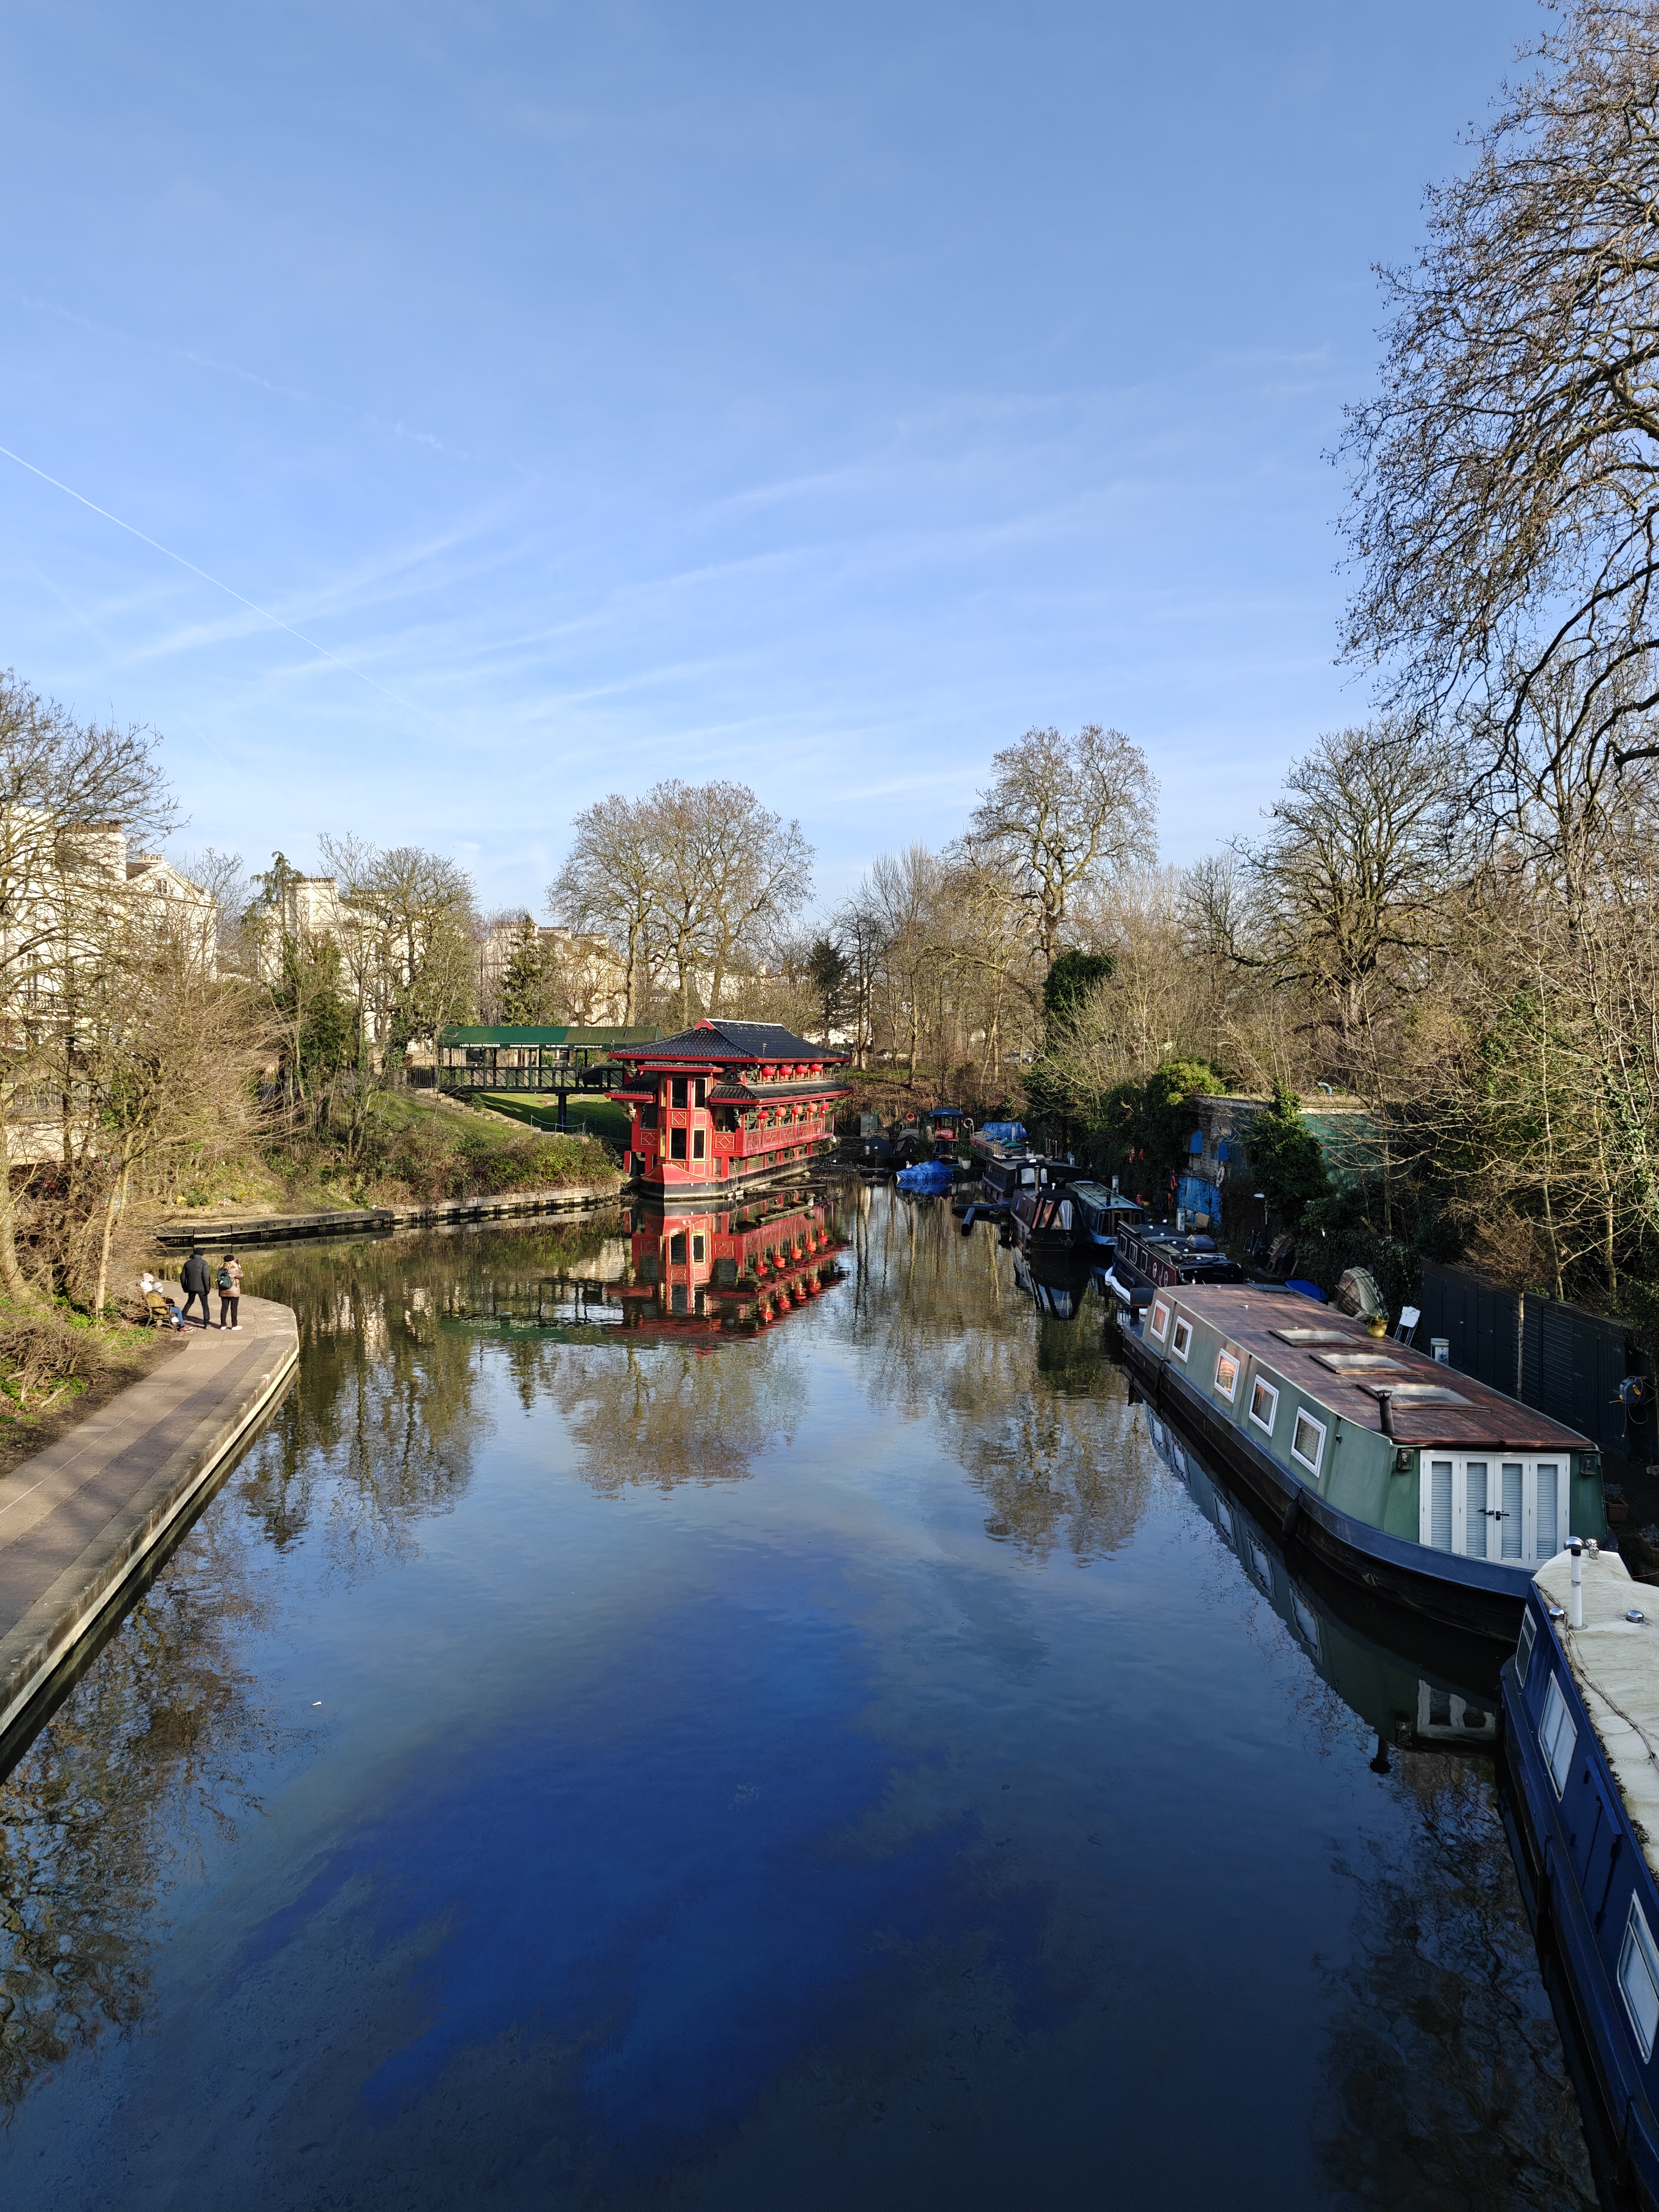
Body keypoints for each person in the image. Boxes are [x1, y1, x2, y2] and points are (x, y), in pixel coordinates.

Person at [179, 1246, 212, 1328]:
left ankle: (182, 1317)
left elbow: (183, 1277)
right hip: (202, 1288)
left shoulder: (188, 1263)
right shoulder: (203, 1263)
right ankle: (207, 1323)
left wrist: (185, 1287)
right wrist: (207, 1288)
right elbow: (206, 1276)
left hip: (191, 1287)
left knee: (190, 1302)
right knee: (205, 1304)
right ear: (201, 1255)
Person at [217, 1252, 242, 1331]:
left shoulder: (221, 1268)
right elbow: (241, 1276)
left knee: (224, 1308)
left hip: (223, 1291)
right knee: (234, 1308)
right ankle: (234, 1325)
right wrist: (239, 1267)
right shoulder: (235, 1267)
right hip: (234, 1291)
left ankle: (223, 1325)